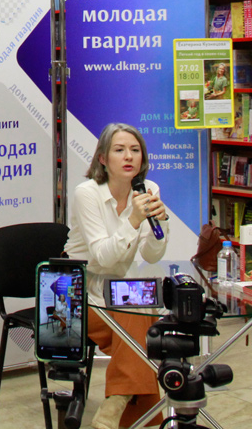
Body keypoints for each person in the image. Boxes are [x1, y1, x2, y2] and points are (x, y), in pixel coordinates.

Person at [64, 123, 169, 429]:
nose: (129, 157)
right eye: (119, 150)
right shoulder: (87, 193)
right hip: (73, 291)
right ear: (102, 158)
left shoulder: (148, 190)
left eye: (135, 150)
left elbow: (151, 255)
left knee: (138, 307)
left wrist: (162, 223)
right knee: (142, 321)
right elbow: (103, 257)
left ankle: (117, 402)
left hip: (113, 291)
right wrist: (133, 220)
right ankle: (127, 406)